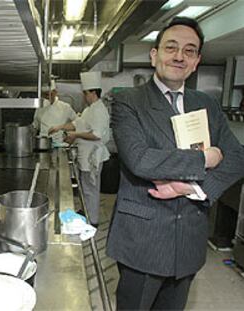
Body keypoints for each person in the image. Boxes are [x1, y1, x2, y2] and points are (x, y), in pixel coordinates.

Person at [106, 16, 244, 310]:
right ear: (154, 55)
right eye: (171, 47)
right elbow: (140, 159)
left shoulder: (206, 104)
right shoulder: (129, 101)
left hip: (189, 242)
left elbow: (237, 157)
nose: (179, 56)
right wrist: (205, 158)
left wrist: (192, 190)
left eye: (189, 50)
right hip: (142, 239)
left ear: (196, 62)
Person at [49, 72, 110, 227]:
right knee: (86, 188)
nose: (84, 96)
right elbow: (77, 123)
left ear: (93, 92)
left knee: (91, 189)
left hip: (93, 157)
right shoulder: (89, 109)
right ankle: (86, 212)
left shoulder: (99, 110)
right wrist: (60, 127)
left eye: (86, 93)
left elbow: (96, 135)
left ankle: (93, 221)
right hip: (85, 157)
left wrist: (74, 135)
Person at [32, 80, 77, 144]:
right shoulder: (40, 107)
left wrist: (68, 133)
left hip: (60, 143)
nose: (47, 97)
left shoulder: (65, 107)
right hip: (42, 143)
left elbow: (77, 123)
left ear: (55, 92)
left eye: (50, 94)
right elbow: (35, 126)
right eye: (45, 95)